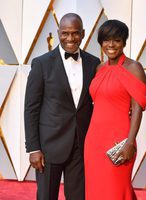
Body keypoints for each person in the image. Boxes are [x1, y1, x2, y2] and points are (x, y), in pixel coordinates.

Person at [24, 13, 100, 200]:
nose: (70, 38)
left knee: (78, 197)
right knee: (46, 196)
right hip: (49, 146)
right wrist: (33, 148)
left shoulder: (93, 63)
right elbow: (31, 108)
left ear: (83, 34)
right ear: (58, 33)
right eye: (65, 33)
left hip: (80, 145)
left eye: (75, 33)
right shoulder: (41, 63)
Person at [84, 19, 146, 200]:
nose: (111, 45)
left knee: (116, 190)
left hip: (119, 141)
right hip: (94, 141)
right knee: (96, 189)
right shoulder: (99, 68)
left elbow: (137, 108)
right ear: (101, 43)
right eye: (106, 40)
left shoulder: (133, 67)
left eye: (117, 40)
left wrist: (130, 142)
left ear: (124, 42)